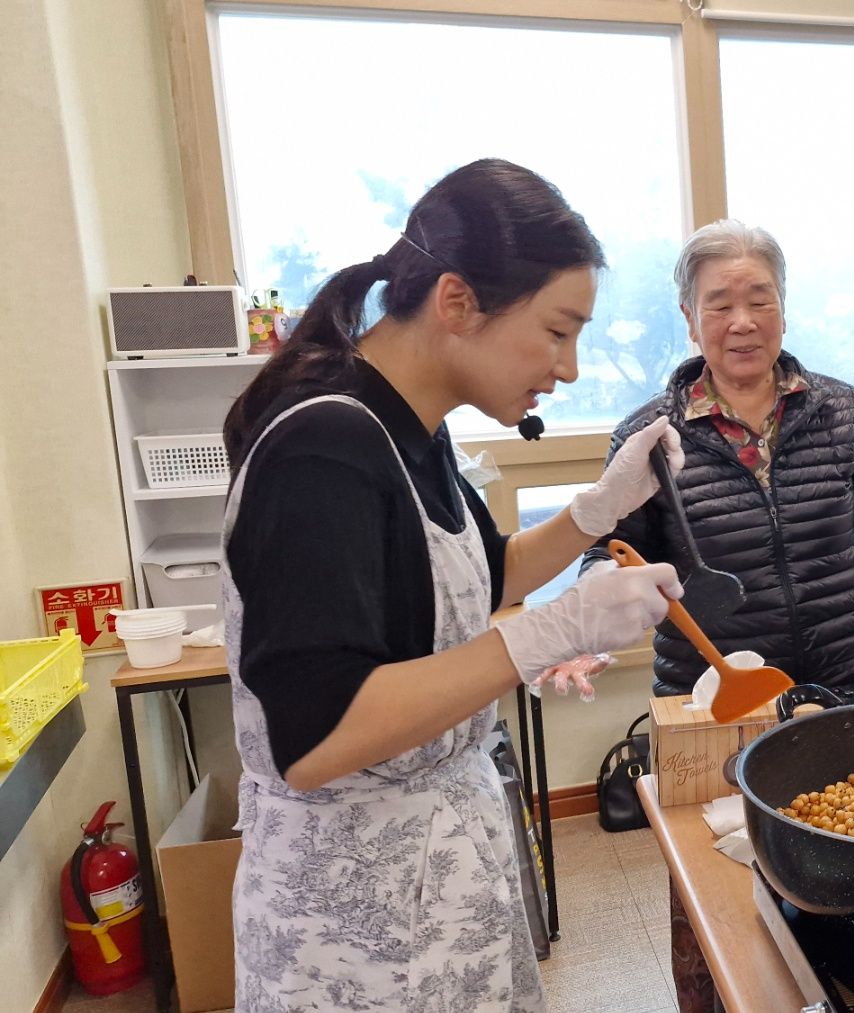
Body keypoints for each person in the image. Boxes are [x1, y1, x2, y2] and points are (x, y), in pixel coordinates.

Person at [221, 159, 684, 1011]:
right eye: (557, 330)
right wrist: (550, 632)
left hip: (438, 878)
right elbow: (318, 736)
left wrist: (600, 506)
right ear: (458, 301)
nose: (571, 366)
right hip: (352, 928)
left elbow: (477, 573)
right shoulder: (324, 450)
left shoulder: (410, 428)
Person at [579, 219, 854, 702]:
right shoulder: (648, 436)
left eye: (760, 301)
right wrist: (587, 631)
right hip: (714, 689)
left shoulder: (841, 409)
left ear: (783, 310)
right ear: (690, 318)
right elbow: (610, 551)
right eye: (721, 305)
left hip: (848, 675)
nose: (742, 322)